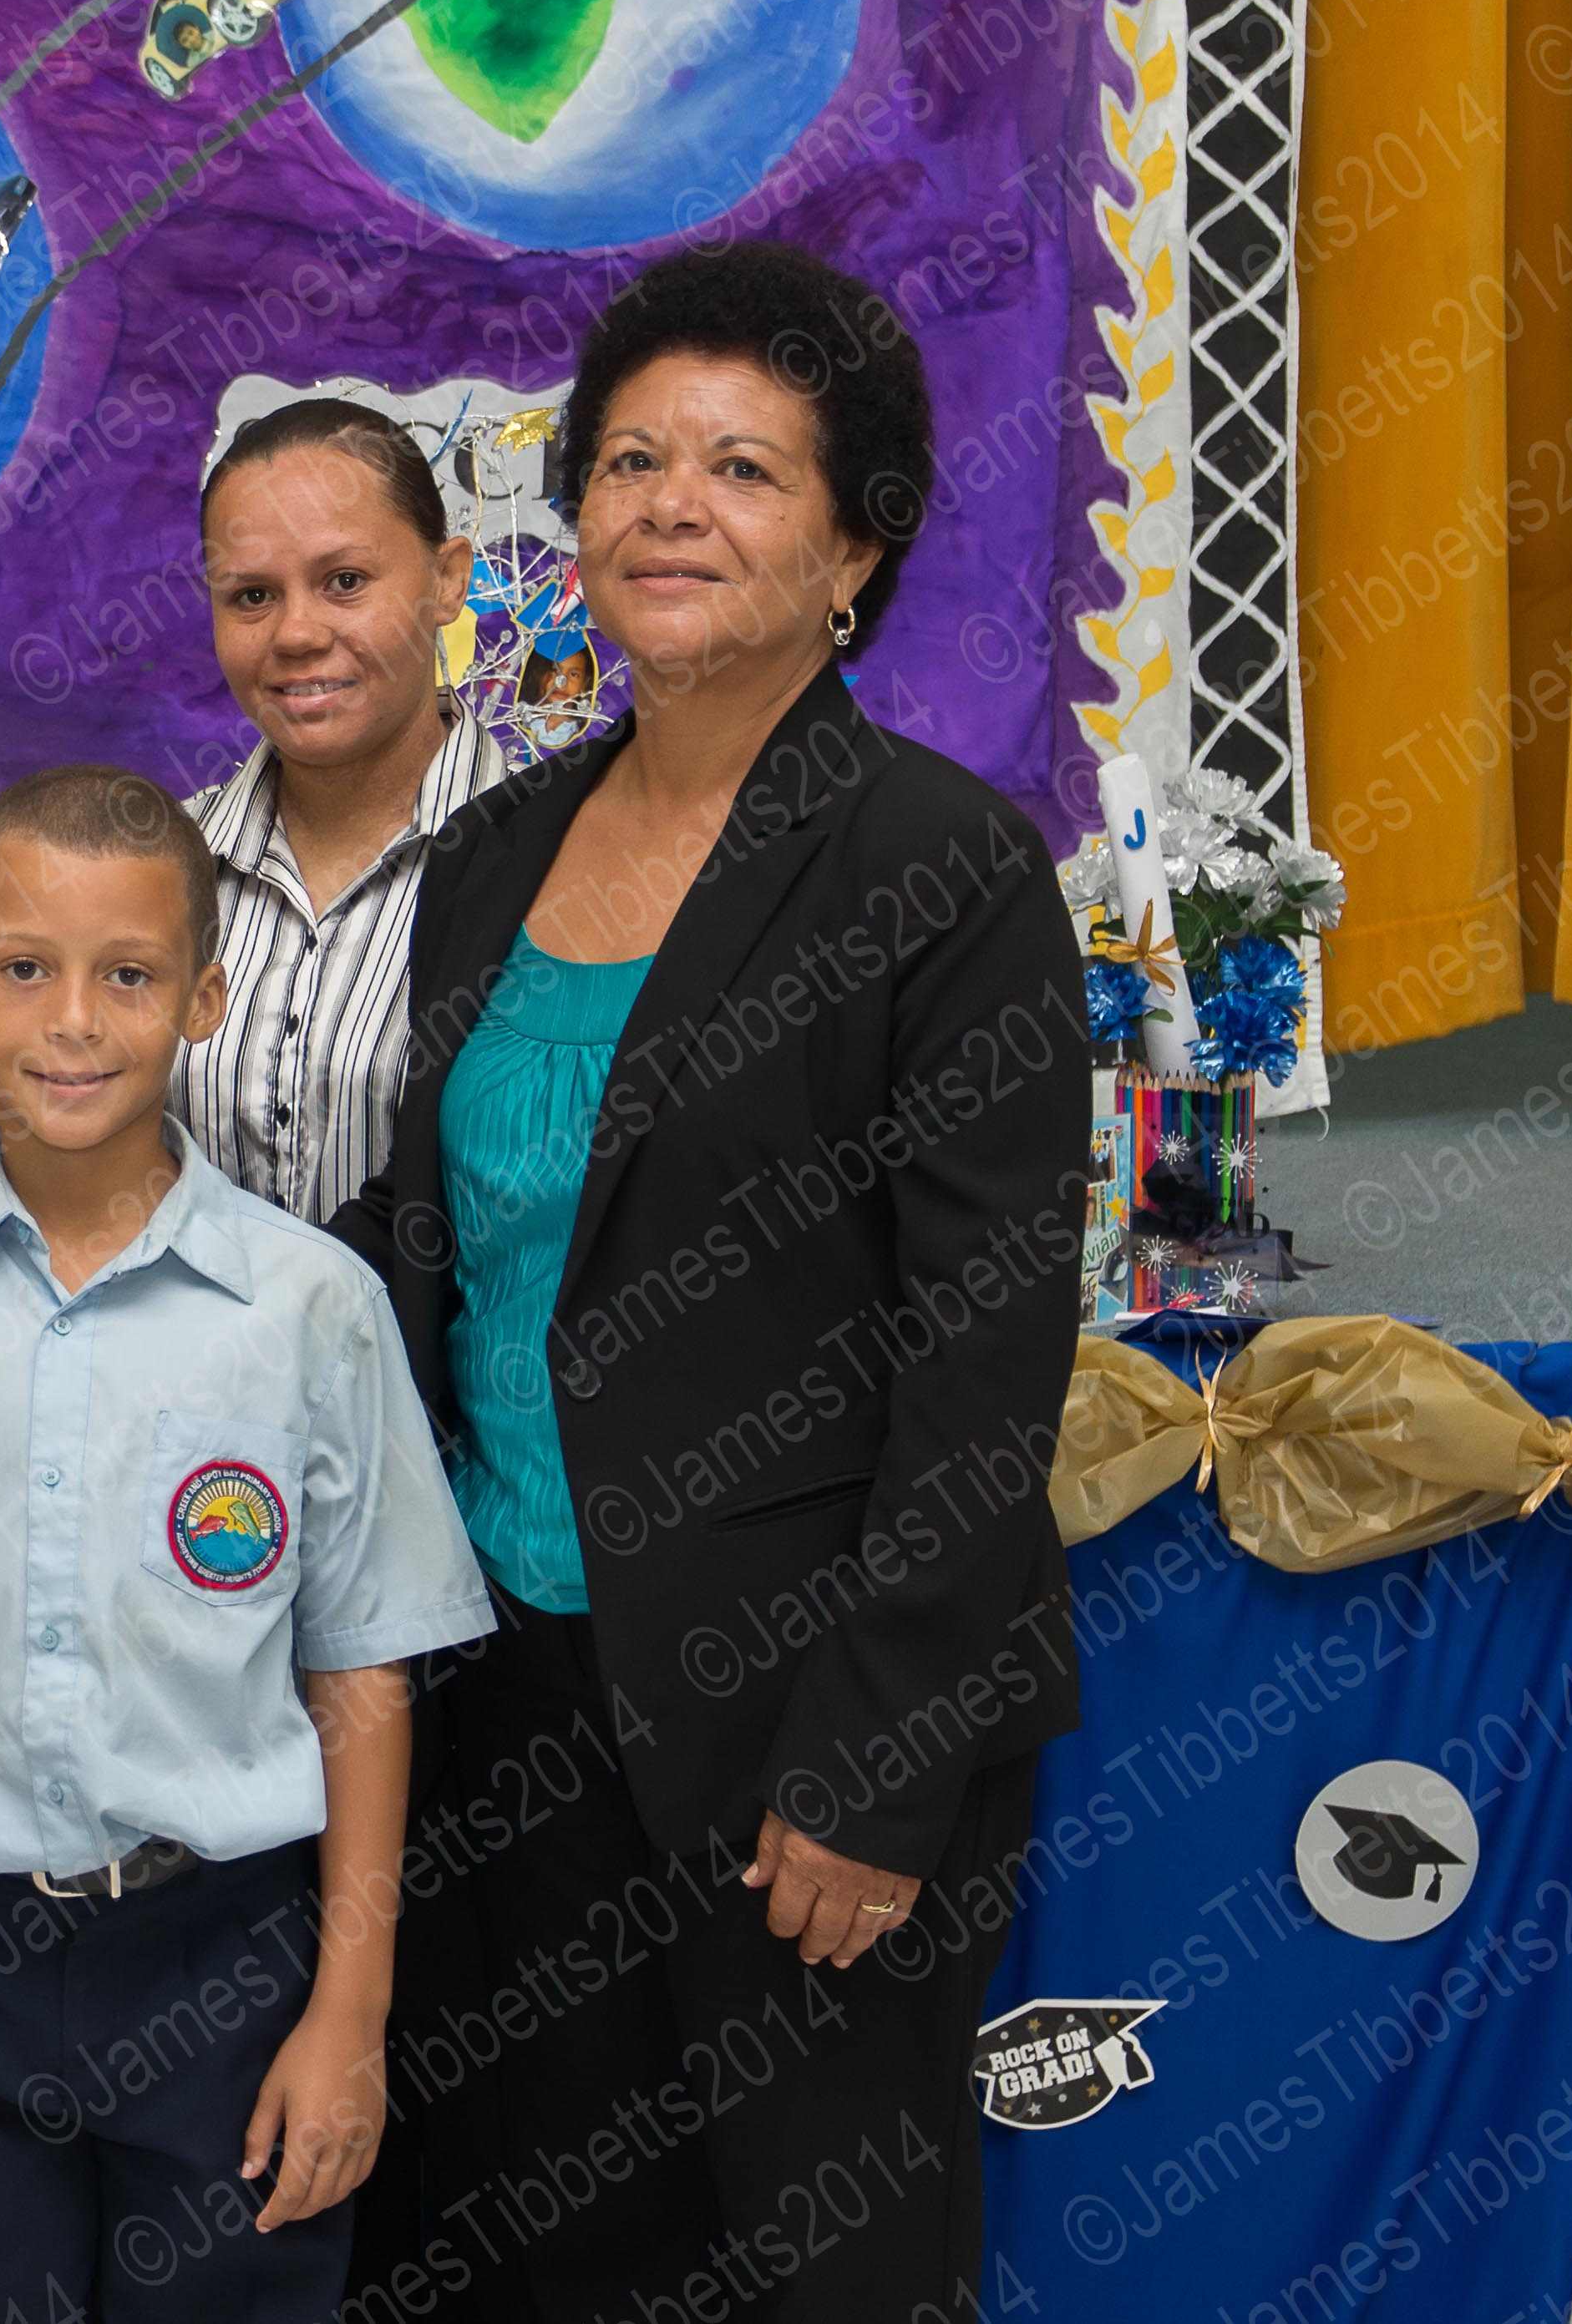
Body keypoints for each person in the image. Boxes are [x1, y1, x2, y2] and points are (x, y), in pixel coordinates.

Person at [327, 241, 1089, 2321]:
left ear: (853, 550)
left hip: (796, 1738)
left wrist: (872, 1769)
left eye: (745, 469)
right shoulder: (492, 854)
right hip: (500, 1708)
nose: (671, 505)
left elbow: (983, 1362)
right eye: (632, 460)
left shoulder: (941, 871)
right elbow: (442, 1239)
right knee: (514, 2259)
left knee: (803, 2264)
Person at [0, 766, 493, 2320]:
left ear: (204, 998)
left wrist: (349, 2014)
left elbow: (361, 1675)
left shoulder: (311, 1308)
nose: (75, 1020)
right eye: (25, 968)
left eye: (131, 974)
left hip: (229, 1960)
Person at [180, 400, 507, 1223]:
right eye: (252, 594)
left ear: (447, 579)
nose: (296, 632)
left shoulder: (557, 866)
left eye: (345, 582)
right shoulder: (157, 868)